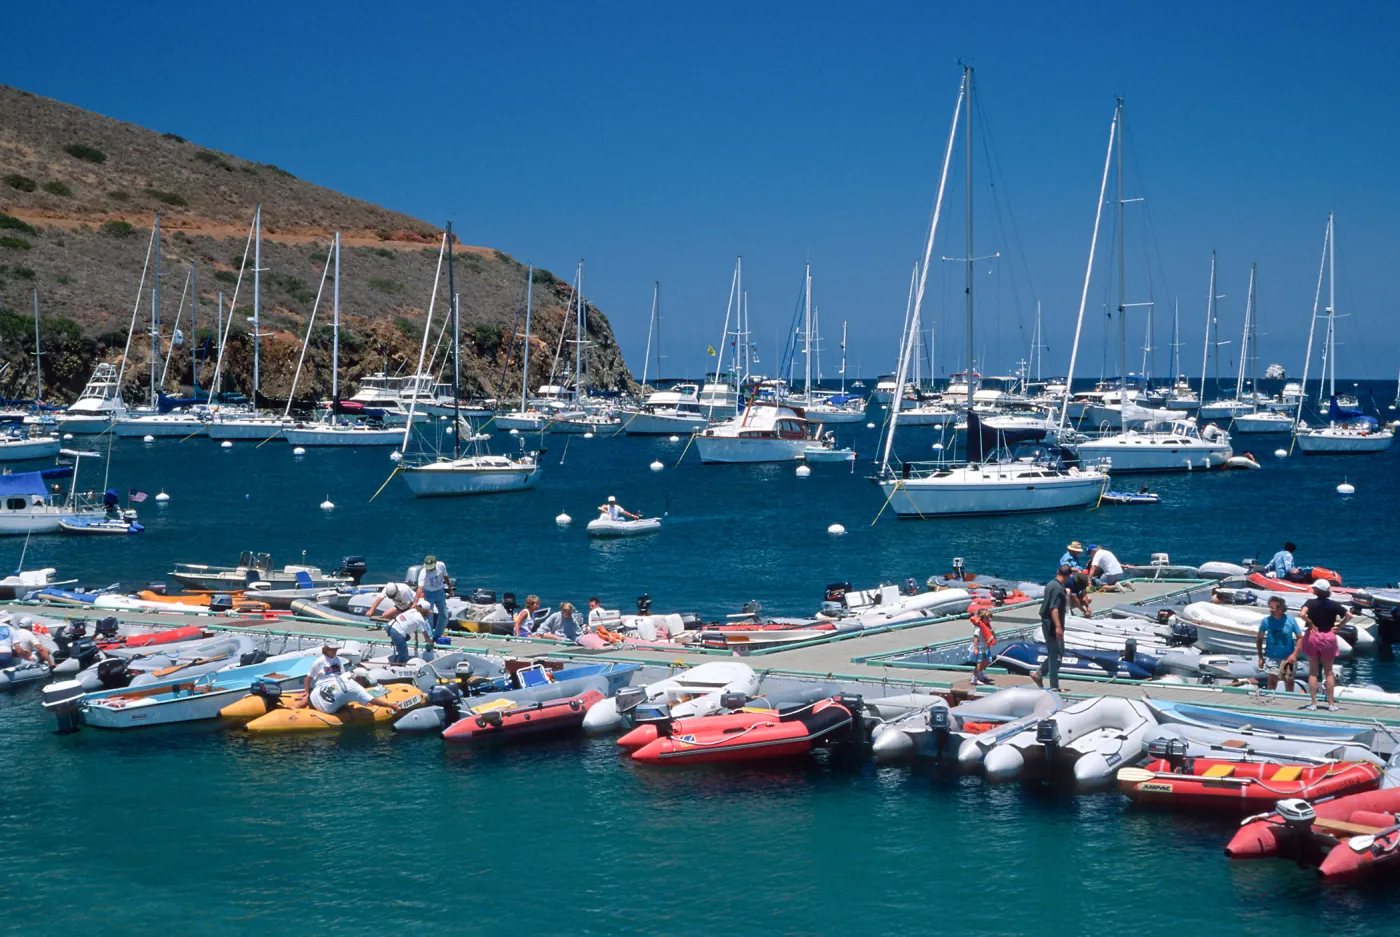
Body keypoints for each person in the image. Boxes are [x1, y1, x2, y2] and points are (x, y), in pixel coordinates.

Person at [1299, 579, 1352, 712]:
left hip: (1313, 635)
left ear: (1317, 590)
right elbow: (1349, 615)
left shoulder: (1310, 602)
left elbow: (1301, 614)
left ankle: (1313, 703)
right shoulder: (1334, 604)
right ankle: (1331, 704)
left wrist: (1309, 623)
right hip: (1328, 636)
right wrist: (1339, 627)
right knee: (1328, 672)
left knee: (1313, 672)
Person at [1032, 565, 1071, 691]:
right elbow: (1054, 609)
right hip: (1052, 625)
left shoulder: (1050, 584)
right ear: (1068, 576)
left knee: (1059, 652)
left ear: (1057, 572)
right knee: (1055, 655)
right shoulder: (1058, 589)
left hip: (1048, 623)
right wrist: (1058, 627)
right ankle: (1054, 686)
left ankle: (1039, 673)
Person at [1255, 595, 1303, 692]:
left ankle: (1289, 701)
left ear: (1280, 609)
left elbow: (1300, 638)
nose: (1270, 610)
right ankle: (1270, 701)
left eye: (1273, 608)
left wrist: (1294, 654)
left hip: (1287, 658)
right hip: (1272, 657)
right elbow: (1259, 638)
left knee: (1288, 681)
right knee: (1272, 682)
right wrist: (1260, 657)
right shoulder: (1266, 621)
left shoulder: (1290, 620)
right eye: (1270, 607)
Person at [387, 599, 433, 664]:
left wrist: (416, 637)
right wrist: (431, 643)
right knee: (404, 656)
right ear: (425, 611)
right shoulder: (420, 619)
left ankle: (399, 648)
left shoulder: (412, 610)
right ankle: (401, 664)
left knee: (407, 637)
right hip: (397, 631)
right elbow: (425, 634)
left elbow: (414, 624)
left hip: (390, 625)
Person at [416, 555, 450, 643]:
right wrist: (415, 602)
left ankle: (437, 635)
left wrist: (450, 588)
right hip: (429, 594)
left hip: (440, 592)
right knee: (429, 617)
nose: (429, 569)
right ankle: (429, 637)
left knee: (444, 615)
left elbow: (446, 577)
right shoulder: (423, 572)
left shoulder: (441, 565)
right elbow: (420, 588)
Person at [969, 607, 996, 686]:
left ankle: (980, 673)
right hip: (980, 645)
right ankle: (974, 678)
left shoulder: (987, 627)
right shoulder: (978, 627)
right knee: (979, 663)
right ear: (982, 618)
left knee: (986, 661)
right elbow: (976, 638)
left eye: (989, 618)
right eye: (987, 618)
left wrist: (992, 633)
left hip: (985, 646)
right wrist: (975, 648)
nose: (989, 620)